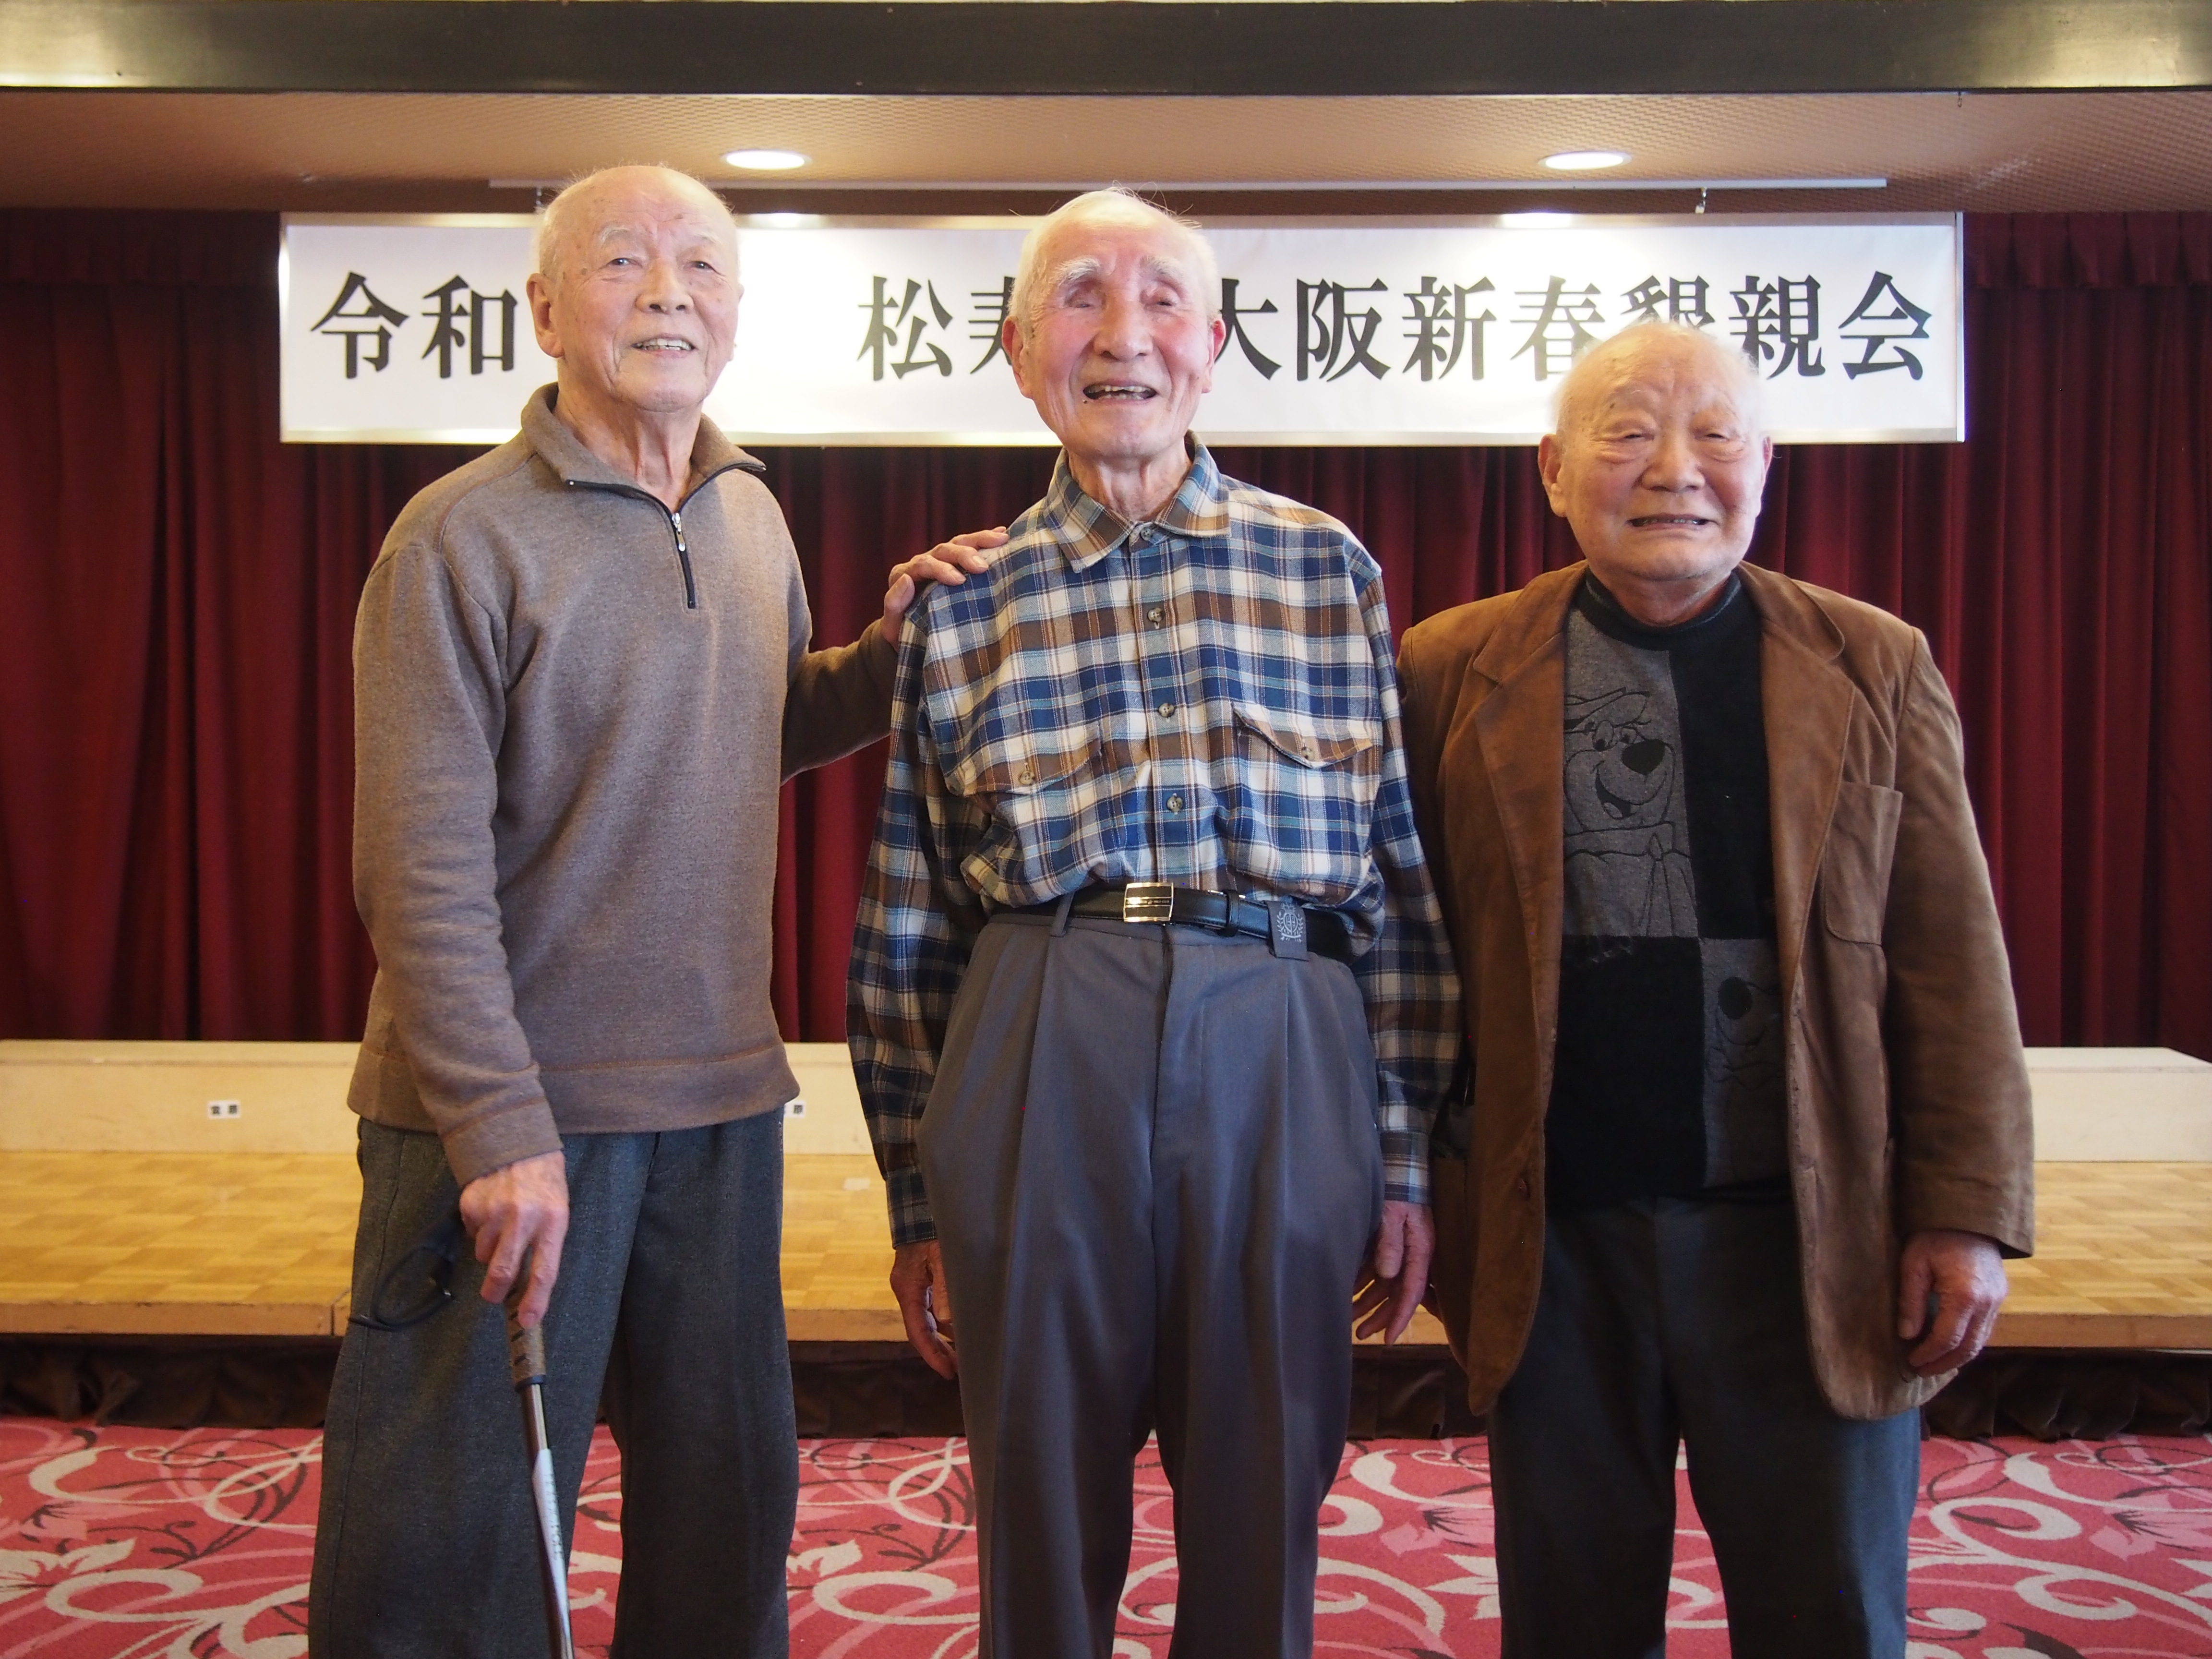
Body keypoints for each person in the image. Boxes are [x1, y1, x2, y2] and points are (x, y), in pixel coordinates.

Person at [310, 164, 995, 1657]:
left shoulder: (751, 511)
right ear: (547, 309)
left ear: (736, 311)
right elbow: (415, 866)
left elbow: (758, 721)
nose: (669, 291)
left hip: (721, 1101)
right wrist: (496, 1123)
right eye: (623, 260)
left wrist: (890, 658)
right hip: (508, 1119)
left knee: (724, 1511)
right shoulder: (458, 537)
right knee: (459, 1536)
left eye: (701, 265)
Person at [846, 188, 1460, 1659]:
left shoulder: (1325, 566)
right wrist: (917, 1197)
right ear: (1017, 352)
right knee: (1040, 1480)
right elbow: (907, 922)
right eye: (1079, 297)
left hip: (1284, 1035)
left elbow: (1393, 878)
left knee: (1268, 1471)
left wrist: (1400, 1152)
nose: (1123, 334)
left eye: (1162, 300)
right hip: (1039, 1028)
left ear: (1216, 345)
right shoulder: (960, 604)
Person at [1395, 320, 2035, 1659]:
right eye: (1628, 433)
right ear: (1553, 469)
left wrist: (1967, 1211)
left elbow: (1950, 957)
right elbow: (1402, 954)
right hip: (1555, 1241)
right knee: (1572, 1620)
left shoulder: (1874, 662)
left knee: (1829, 1615)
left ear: (1766, 462)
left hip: (1808, 1236)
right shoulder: (1451, 668)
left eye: (1715, 434)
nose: (1674, 468)